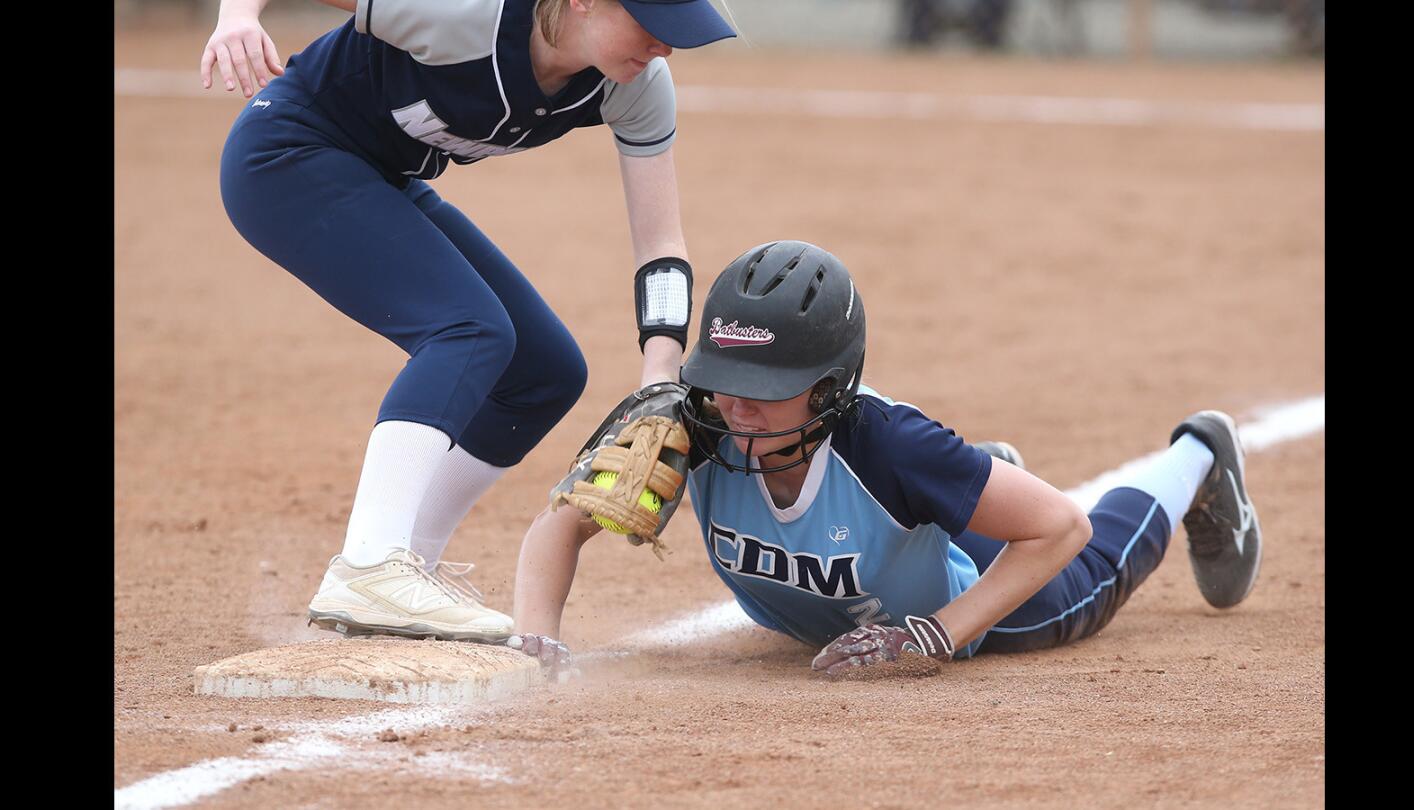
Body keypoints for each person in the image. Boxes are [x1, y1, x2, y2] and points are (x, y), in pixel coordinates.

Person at [200, 0, 736, 642]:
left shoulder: (635, 85)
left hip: (379, 178)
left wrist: (659, 378)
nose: (664, 48)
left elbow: (661, 247)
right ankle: (369, 564)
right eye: (653, 26)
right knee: (470, 327)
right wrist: (236, 17)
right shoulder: (462, 12)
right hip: (286, 157)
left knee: (544, 371)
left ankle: (406, 571)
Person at [508, 240, 1263, 672]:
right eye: (722, 381)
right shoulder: (697, 425)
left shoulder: (885, 444)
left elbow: (1063, 527)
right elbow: (558, 526)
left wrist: (932, 636)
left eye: (765, 389)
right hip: (901, 527)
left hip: (953, 595)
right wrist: (535, 637)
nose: (736, 407)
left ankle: (1200, 454)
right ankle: (967, 486)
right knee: (952, 491)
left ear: (832, 388)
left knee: (1085, 584)